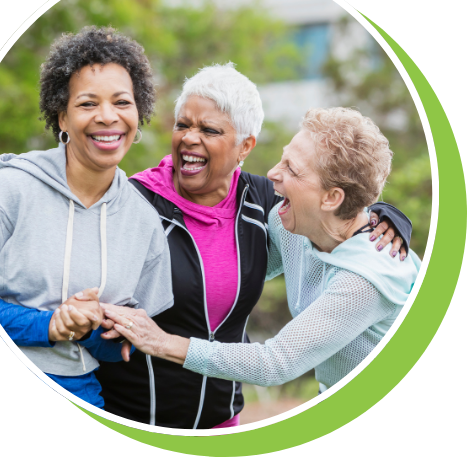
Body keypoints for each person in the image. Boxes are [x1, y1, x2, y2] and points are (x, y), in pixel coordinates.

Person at [0, 63, 408, 428]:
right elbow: (72, 302)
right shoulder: (136, 202)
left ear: (244, 146)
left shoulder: (279, 215)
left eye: (210, 129)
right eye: (183, 125)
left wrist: (383, 214)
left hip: (230, 420)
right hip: (132, 415)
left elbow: (279, 360)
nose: (275, 175)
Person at [102, 106, 421, 397]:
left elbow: (275, 363)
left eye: (292, 170)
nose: (271, 174)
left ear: (331, 198)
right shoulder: (293, 223)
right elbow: (239, 268)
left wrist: (160, 341)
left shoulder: (366, 280)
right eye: (283, 159)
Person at [0, 26, 174, 409]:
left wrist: (92, 326)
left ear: (138, 112)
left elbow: (120, 351)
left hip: (82, 392)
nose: (107, 117)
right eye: (88, 103)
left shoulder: (143, 222)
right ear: (61, 117)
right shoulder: (9, 192)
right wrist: (48, 325)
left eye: (122, 102)